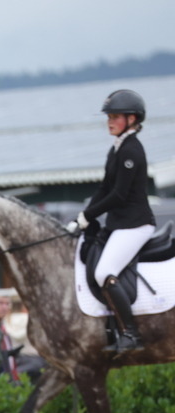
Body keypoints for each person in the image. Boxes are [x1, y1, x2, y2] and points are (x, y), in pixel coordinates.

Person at [65, 89, 155, 352]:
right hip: (119, 223)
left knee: (105, 271)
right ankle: (110, 328)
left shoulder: (132, 151)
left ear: (132, 119)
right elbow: (104, 189)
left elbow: (118, 195)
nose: (110, 121)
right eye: (109, 117)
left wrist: (87, 216)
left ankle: (131, 334)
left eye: (115, 116)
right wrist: (83, 216)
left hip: (136, 225)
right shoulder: (116, 149)